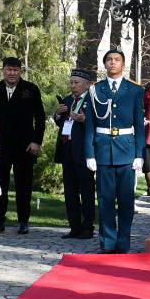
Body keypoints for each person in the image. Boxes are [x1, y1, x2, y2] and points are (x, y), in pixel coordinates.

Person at [83, 47, 146, 253]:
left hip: (126, 152)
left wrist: (139, 154)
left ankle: (123, 242)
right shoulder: (95, 90)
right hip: (103, 151)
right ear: (105, 64)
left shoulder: (135, 91)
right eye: (109, 59)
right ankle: (107, 243)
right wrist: (90, 154)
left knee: (126, 201)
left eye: (116, 59)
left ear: (123, 64)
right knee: (105, 200)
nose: (112, 62)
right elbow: (90, 125)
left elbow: (138, 125)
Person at [0, 56, 45, 236]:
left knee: (24, 185)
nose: (12, 73)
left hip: (25, 146)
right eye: (9, 70)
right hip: (1, 145)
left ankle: (23, 221)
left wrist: (36, 141)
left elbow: (40, 117)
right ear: (3, 70)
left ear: (20, 71)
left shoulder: (31, 89)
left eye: (16, 70)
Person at [54, 68, 96, 239]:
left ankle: (87, 227)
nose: (73, 86)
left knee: (86, 191)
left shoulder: (92, 101)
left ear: (86, 85)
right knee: (70, 191)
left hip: (84, 152)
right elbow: (62, 123)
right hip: (67, 151)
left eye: (76, 82)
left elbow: (98, 124)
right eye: (71, 82)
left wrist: (84, 120)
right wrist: (56, 115)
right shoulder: (67, 100)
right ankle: (74, 226)